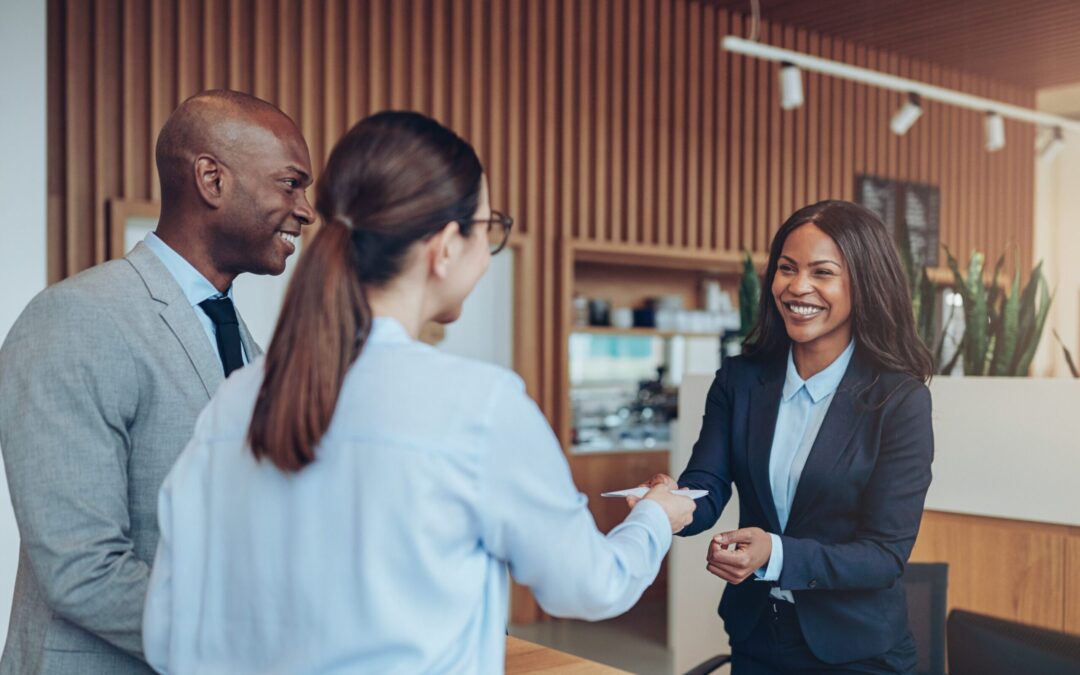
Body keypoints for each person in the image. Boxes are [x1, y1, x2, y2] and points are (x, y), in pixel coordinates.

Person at [141, 110, 696, 674]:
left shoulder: (233, 402)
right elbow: (589, 584)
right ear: (446, 246)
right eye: (487, 228)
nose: (487, 249)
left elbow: (168, 635)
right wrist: (655, 517)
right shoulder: (480, 408)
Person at [0, 90, 314, 674]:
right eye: (291, 183)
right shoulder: (76, 318)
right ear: (211, 180)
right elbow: (80, 568)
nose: (306, 209)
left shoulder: (248, 345)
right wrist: (248, 644)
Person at [640, 201, 934, 674]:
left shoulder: (899, 401)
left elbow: (884, 555)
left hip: (857, 653)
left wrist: (775, 554)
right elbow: (707, 483)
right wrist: (669, 506)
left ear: (865, 284)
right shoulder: (739, 380)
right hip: (758, 637)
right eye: (786, 268)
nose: (798, 287)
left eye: (822, 272)